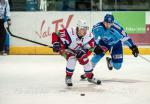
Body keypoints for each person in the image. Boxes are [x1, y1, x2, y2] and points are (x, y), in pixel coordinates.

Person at [81, 14, 139, 79]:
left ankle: (110, 61)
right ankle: (88, 72)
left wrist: (133, 47)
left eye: (110, 24)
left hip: (116, 44)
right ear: (103, 21)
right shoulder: (97, 28)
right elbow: (93, 38)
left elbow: (125, 38)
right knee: (97, 56)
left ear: (113, 23)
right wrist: (96, 47)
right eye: (106, 23)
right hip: (104, 43)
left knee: (117, 66)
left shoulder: (118, 28)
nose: (108, 25)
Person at [52, 20, 101, 86]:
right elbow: (55, 34)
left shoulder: (89, 36)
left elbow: (91, 48)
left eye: (86, 29)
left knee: (85, 59)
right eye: (83, 29)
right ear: (78, 28)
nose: (85, 31)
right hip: (69, 49)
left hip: (81, 50)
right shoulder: (69, 32)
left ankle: (90, 77)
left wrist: (86, 52)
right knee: (72, 59)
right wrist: (55, 43)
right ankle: (68, 77)